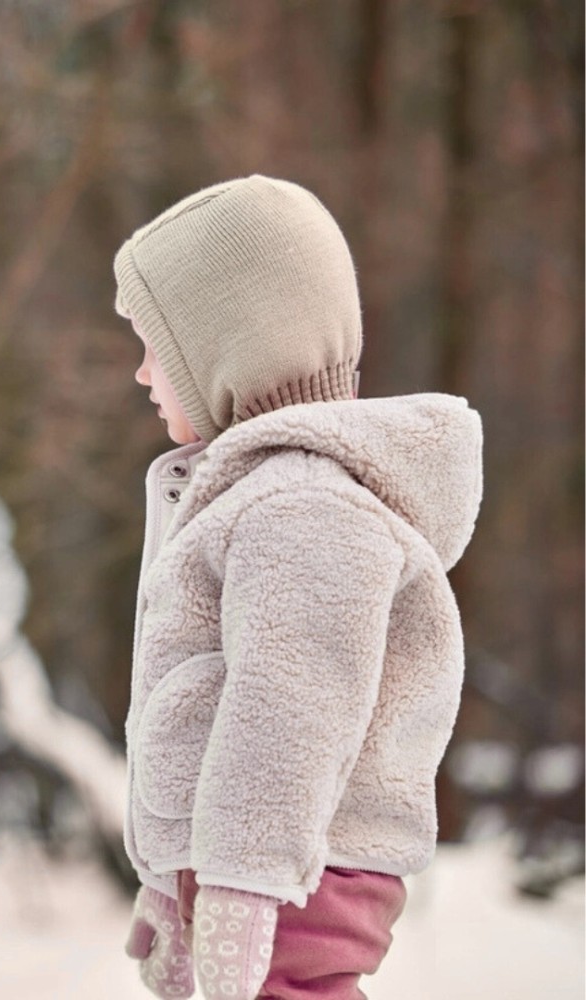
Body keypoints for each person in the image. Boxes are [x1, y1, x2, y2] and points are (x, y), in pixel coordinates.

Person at [114, 175, 482, 999]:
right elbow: (207, 706)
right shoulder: (255, 496)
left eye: (154, 347)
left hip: (300, 864)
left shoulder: (303, 504)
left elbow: (291, 708)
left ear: (227, 343)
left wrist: (242, 883)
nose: (141, 374)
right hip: (267, 856)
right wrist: (172, 885)